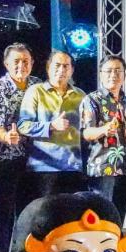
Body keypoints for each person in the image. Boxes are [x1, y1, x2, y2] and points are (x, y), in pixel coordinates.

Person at [0, 43, 40, 252]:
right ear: (6, 64)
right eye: (16, 61)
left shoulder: (38, 85)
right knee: (6, 211)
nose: (21, 66)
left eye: (26, 61)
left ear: (32, 63)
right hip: (7, 159)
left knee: (30, 210)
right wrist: (6, 137)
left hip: (36, 159)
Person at [18, 50, 86, 196]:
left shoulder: (80, 95)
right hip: (44, 167)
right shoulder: (35, 91)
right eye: (57, 65)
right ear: (48, 67)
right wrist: (51, 126)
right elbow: (23, 126)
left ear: (72, 70)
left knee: (72, 210)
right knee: (47, 210)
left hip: (73, 167)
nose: (61, 70)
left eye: (66, 66)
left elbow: (87, 128)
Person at [80, 56, 126, 217]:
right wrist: (104, 129)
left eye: (118, 71)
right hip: (102, 168)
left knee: (118, 218)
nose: (113, 75)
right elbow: (86, 133)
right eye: (108, 71)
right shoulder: (92, 99)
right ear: (101, 74)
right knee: (101, 218)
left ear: (124, 74)